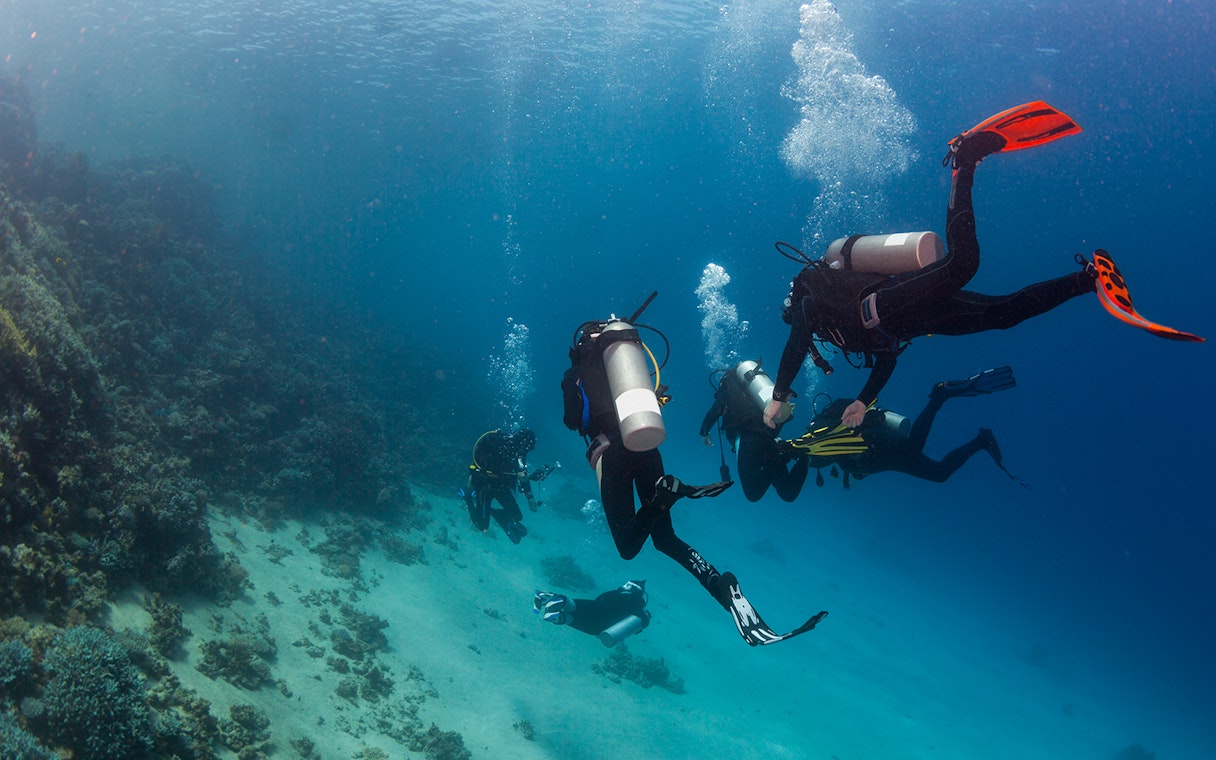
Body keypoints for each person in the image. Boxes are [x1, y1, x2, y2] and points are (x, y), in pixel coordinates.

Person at [765, 102, 1105, 430]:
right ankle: (1087, 279)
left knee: (963, 264)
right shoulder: (832, 328)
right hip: (911, 321)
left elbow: (797, 338)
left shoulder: (809, 305)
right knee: (1003, 314)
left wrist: (778, 395)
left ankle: (964, 159)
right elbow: (887, 356)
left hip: (885, 304)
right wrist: (863, 400)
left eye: (791, 315)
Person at [562, 298, 827, 646]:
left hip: (611, 455)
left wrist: (577, 385)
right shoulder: (632, 361)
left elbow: (573, 421)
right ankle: (719, 586)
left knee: (628, 547)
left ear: (583, 344)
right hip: (648, 449)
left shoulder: (577, 371)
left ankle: (665, 498)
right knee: (666, 539)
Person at [796, 366, 1026, 488]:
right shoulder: (824, 452)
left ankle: (939, 396)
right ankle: (982, 440)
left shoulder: (817, 436)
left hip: (873, 442)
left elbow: (821, 453)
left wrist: (790, 449)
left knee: (914, 448)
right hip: (881, 460)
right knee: (939, 474)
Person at [699, 361, 809, 502]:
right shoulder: (753, 392)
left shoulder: (728, 392)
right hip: (769, 439)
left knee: (753, 493)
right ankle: (802, 455)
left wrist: (704, 432)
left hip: (747, 439)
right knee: (788, 493)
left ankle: (784, 456)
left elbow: (714, 412)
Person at [460, 428, 542, 544]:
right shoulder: (499, 447)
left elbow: (521, 474)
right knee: (482, 526)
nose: (526, 452)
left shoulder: (519, 454)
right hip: (485, 486)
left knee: (517, 517)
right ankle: (468, 499)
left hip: (501, 487)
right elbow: (499, 472)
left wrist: (530, 499)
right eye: (527, 448)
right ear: (522, 443)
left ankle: (498, 515)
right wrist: (526, 476)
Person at [533, 580, 651, 647]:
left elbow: (598, 600)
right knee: (574, 617)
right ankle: (560, 616)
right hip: (603, 626)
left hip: (601, 611)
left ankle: (552, 602)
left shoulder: (621, 594)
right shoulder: (639, 601)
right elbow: (638, 627)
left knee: (573, 607)